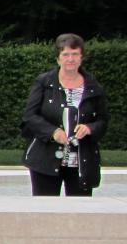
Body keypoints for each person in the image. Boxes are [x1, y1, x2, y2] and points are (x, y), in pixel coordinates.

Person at [20, 33, 109, 196]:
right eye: (65, 54)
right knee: (45, 209)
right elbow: (30, 116)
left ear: (81, 57)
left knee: (80, 212)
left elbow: (103, 121)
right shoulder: (44, 82)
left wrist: (89, 128)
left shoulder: (93, 86)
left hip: (81, 160)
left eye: (75, 54)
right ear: (58, 58)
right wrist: (52, 132)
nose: (70, 59)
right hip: (45, 159)